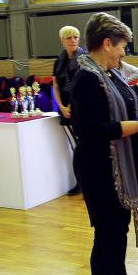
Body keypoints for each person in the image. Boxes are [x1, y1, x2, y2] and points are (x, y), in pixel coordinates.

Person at [70, 12, 138, 275]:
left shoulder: (106, 73)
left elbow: (122, 100)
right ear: (107, 43)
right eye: (122, 46)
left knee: (116, 233)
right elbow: (95, 129)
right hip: (99, 169)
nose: (124, 53)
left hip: (114, 167)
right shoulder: (86, 78)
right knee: (107, 236)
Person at [53, 25, 86, 196]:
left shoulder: (84, 58)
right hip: (65, 111)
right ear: (62, 41)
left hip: (81, 108)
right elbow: (56, 85)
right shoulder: (58, 61)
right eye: (69, 38)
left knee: (84, 147)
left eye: (75, 37)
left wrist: (71, 106)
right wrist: (61, 106)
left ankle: (88, 183)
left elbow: (82, 85)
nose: (73, 40)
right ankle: (80, 183)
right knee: (75, 147)